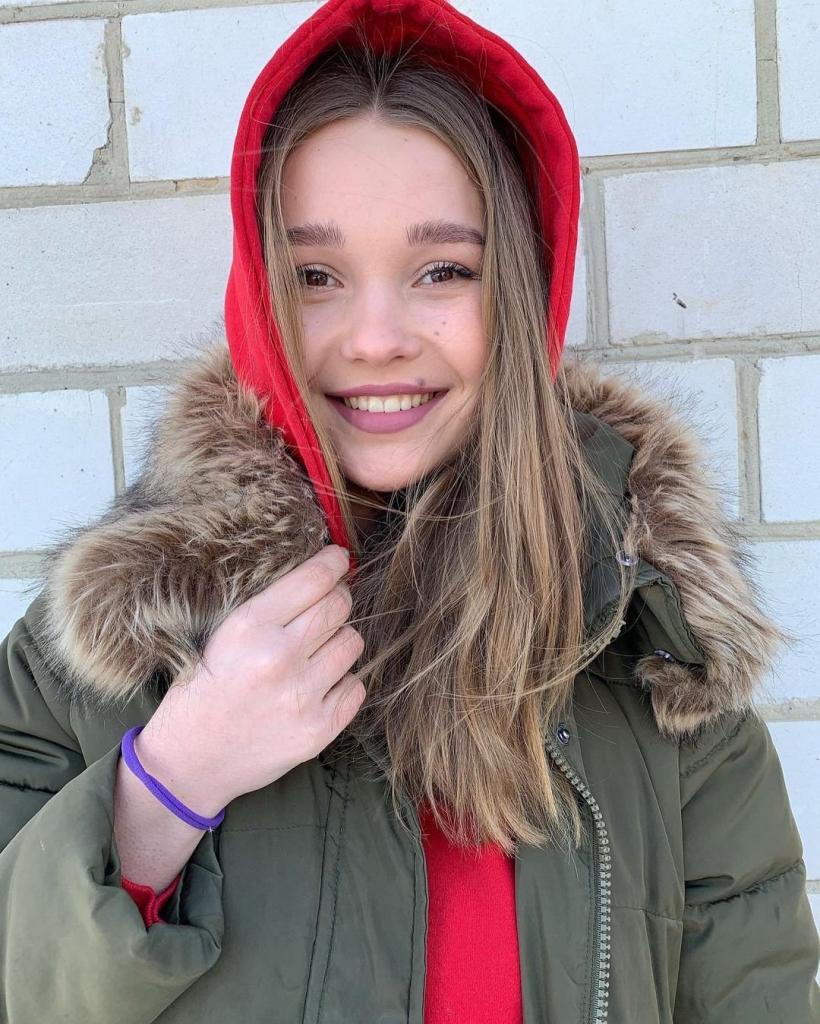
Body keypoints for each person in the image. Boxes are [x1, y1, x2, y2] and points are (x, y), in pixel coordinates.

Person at [1, 0, 818, 1020]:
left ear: (514, 292)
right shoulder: (109, 652)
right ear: (260, 293)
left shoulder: (655, 651)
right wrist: (171, 781)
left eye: (442, 271)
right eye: (316, 275)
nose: (376, 336)